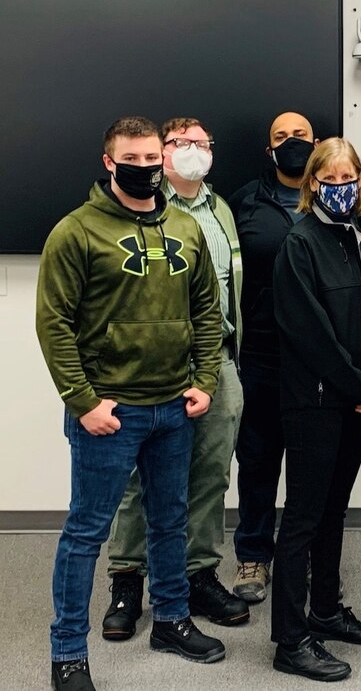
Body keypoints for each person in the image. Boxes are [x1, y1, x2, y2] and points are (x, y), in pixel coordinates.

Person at [36, 116, 225, 691]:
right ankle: (68, 652)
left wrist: (207, 380)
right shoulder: (77, 231)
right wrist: (83, 402)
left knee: (170, 521)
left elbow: (207, 312)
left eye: (151, 160)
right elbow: (54, 324)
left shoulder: (186, 229)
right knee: (86, 532)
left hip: (174, 408)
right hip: (108, 415)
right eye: (132, 160)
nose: (144, 169)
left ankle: (170, 619)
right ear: (109, 161)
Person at [103, 118, 247, 639]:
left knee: (210, 472)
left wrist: (221, 365)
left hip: (218, 362)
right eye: (180, 142)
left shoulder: (221, 210)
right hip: (154, 365)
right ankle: (127, 579)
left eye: (201, 143)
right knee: (140, 478)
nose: (192, 151)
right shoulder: (137, 203)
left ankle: (198, 573)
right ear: (159, 152)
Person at [230, 113, 361, 603]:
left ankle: (318, 577)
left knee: (316, 480)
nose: (291, 143)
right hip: (265, 355)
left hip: (330, 368)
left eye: (300, 136)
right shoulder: (246, 204)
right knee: (258, 460)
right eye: (280, 137)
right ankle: (255, 555)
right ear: (269, 148)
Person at [270, 138, 361, 682]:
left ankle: (325, 609)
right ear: (313, 182)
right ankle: (290, 638)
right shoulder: (298, 244)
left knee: (334, 511)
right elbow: (309, 333)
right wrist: (355, 385)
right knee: (302, 518)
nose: (342, 185)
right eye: (332, 176)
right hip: (315, 403)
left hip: (359, 400)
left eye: (350, 175)